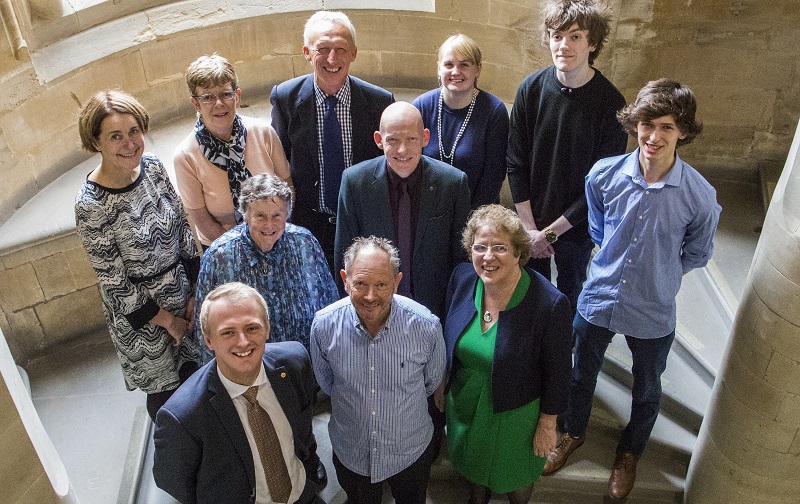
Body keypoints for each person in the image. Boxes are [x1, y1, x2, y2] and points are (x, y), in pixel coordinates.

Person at [542, 79, 721, 500]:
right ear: (634, 124)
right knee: (581, 374)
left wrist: (660, 274)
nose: (654, 137)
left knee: (647, 388)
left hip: (653, 307)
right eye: (646, 124)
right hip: (600, 296)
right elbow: (600, 227)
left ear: (683, 132)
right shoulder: (604, 175)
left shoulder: (699, 196)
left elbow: (696, 253)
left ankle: (629, 452)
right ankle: (572, 432)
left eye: (667, 127)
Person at [74, 90, 202, 422]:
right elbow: (114, 283)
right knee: (167, 400)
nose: (130, 143)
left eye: (134, 131)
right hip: (142, 318)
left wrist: (194, 293)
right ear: (96, 142)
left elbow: (184, 231)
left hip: (182, 294)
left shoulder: (154, 168)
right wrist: (169, 321)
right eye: (116, 136)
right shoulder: (91, 204)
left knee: (199, 379)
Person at [506, 0, 628, 317]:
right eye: (557, 35)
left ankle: (564, 352)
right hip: (531, 222)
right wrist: (530, 229)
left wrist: (549, 234)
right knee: (530, 296)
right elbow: (516, 163)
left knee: (571, 294)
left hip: (577, 228)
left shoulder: (611, 103)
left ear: (594, 43)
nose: (563, 45)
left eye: (575, 36)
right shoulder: (530, 90)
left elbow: (600, 186)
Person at [443, 205, 572, 504]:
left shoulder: (549, 304)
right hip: (466, 401)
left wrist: (547, 424)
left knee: (516, 479)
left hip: (517, 412)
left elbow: (559, 371)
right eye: (480, 247)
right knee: (474, 470)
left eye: (500, 247)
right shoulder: (462, 279)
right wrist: (442, 381)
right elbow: (447, 335)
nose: (488, 257)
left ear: (518, 253)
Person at [153, 282, 325, 504]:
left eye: (252, 328)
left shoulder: (294, 363)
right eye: (228, 332)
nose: (243, 342)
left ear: (267, 328)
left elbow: (304, 433)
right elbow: (176, 484)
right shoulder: (182, 417)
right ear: (208, 340)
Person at [310, 237, 445, 504]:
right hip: (352, 451)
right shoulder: (323, 326)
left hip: (410, 451)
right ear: (345, 279)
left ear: (397, 282)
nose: (370, 296)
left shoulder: (426, 326)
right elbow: (327, 383)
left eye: (381, 284)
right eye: (360, 283)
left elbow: (431, 382)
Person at [270, 11, 394, 272]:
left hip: (362, 221)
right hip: (308, 223)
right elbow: (280, 159)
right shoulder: (286, 98)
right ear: (306, 52)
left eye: (341, 49)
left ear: (354, 53)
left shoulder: (379, 102)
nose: (332, 59)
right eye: (322, 49)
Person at [334, 101, 471, 320]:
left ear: (425, 138)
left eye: (411, 139)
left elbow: (461, 259)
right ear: (379, 140)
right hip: (373, 309)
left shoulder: (453, 183)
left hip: (435, 311)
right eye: (393, 140)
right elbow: (345, 255)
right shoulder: (354, 183)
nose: (402, 150)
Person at [193, 174, 337, 352]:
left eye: (277, 215)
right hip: (247, 364)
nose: (269, 225)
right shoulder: (219, 256)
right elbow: (204, 327)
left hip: (305, 363)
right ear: (245, 216)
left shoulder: (305, 243)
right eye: (260, 216)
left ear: (287, 215)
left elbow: (330, 307)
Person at [174, 53, 291, 249]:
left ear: (237, 96)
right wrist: (245, 250)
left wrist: (274, 233)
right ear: (196, 104)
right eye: (208, 97)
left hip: (276, 236)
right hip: (224, 247)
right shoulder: (185, 157)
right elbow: (202, 219)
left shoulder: (263, 132)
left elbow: (287, 187)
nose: (219, 103)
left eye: (225, 94)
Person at [413, 34, 509, 209]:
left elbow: (493, 176)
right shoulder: (421, 106)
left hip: (477, 213)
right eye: (449, 64)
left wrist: (469, 220)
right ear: (439, 68)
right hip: (427, 210)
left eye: (464, 65)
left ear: (477, 69)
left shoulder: (494, 111)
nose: (455, 72)